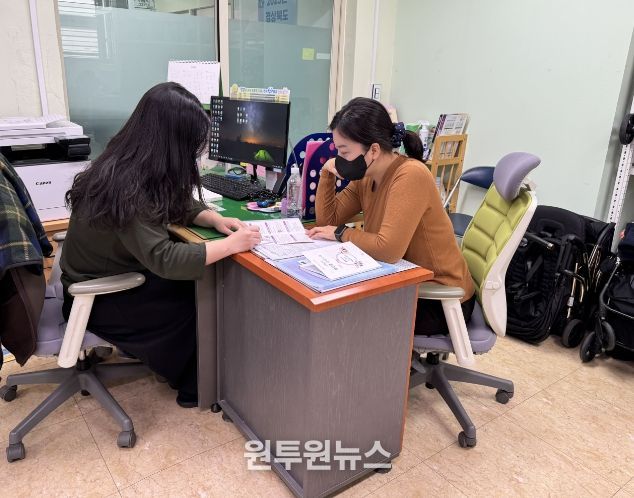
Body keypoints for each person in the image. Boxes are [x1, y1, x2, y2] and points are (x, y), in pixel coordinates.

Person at [61, 82, 261, 407]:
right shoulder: (127, 188)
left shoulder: (126, 163)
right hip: (99, 297)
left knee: (196, 286)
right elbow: (165, 259)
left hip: (98, 276)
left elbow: (171, 200)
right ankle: (195, 388)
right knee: (198, 299)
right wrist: (232, 245)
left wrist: (212, 219)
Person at [307, 97, 475, 334]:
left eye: (344, 151)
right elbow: (327, 222)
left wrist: (341, 233)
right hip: (404, 284)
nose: (340, 159)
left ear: (374, 150)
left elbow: (388, 250)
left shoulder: (410, 175)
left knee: (343, 318)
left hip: (440, 298)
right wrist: (327, 173)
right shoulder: (367, 177)